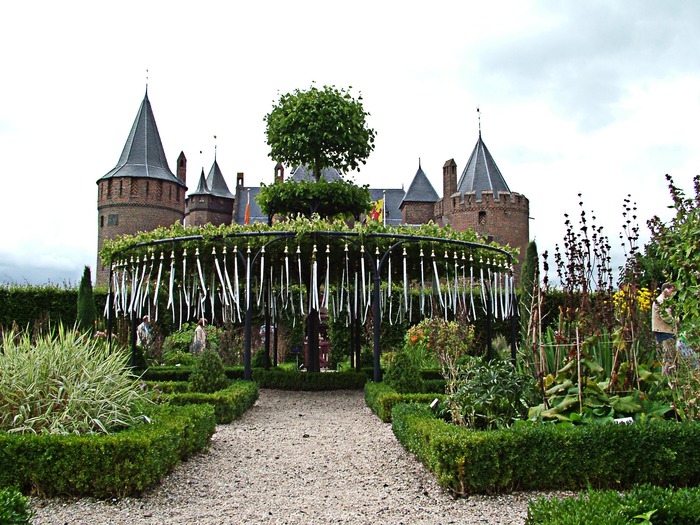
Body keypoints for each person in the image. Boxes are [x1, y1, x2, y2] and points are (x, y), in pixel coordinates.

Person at [652, 283, 677, 375]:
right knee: (669, 356)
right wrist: (676, 320)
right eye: (672, 290)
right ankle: (668, 379)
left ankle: (667, 379)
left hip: (666, 331)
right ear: (665, 290)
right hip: (664, 331)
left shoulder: (665, 300)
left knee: (668, 357)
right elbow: (665, 317)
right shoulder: (661, 301)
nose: (673, 293)